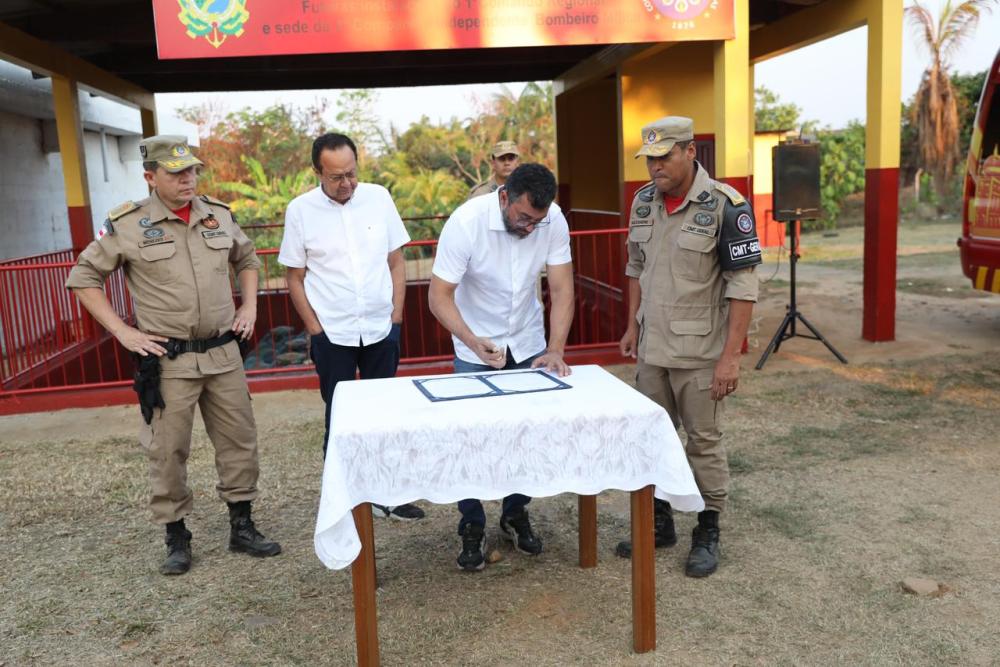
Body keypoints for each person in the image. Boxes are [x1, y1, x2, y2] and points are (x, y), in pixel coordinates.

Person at [66, 135, 281, 576]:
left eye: (192, 171)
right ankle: (176, 536)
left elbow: (248, 259)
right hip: (169, 361)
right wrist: (123, 331)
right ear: (151, 177)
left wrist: (250, 305)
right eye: (176, 173)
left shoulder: (216, 215)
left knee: (239, 441)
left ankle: (242, 526)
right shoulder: (128, 224)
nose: (189, 179)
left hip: (223, 354)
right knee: (167, 450)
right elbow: (84, 277)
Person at [615, 117, 761, 578]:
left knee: (703, 441)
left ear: (690, 151)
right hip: (653, 350)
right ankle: (659, 522)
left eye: (664, 157)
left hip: (700, 353)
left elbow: (743, 284)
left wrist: (730, 357)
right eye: (649, 159)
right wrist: (632, 326)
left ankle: (707, 527)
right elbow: (635, 267)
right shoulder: (642, 202)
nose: (654, 167)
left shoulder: (725, 206)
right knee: (653, 439)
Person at [429, 163, 575, 571]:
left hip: (527, 340)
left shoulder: (552, 220)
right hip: (474, 342)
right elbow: (439, 296)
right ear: (505, 197)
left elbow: (562, 289)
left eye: (538, 221)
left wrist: (556, 348)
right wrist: (472, 339)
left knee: (523, 436)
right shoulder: (466, 222)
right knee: (470, 438)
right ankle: (471, 522)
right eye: (524, 218)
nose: (531, 228)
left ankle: (515, 512)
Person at [278, 132, 424, 521]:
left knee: (385, 414)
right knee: (338, 416)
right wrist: (315, 330)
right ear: (317, 172)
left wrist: (396, 318)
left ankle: (387, 494)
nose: (346, 184)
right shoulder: (300, 210)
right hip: (333, 334)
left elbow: (396, 261)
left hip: (380, 327)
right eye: (336, 177)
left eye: (352, 174)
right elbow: (295, 276)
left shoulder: (379, 198)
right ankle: (341, 500)